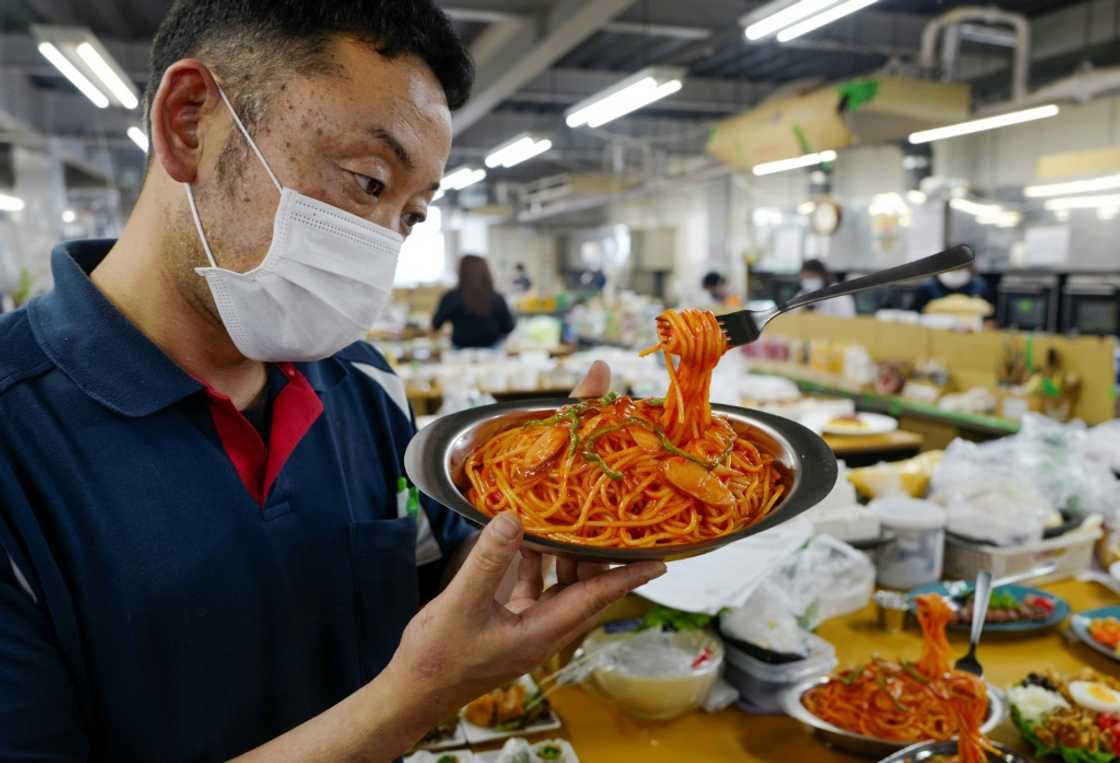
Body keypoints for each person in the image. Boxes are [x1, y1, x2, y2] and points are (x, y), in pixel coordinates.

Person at [0, 3, 665, 760]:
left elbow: (427, 578)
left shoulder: (365, 384)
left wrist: (534, 537)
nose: (380, 246)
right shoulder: (19, 444)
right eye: (368, 181)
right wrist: (415, 697)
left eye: (411, 215)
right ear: (190, 123)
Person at [432, 255, 515, 348]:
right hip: (491, 350)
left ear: (461, 271)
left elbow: (436, 324)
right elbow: (508, 327)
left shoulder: (451, 297)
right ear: (486, 272)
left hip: (459, 351)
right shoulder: (497, 297)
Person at [913, 265, 991, 313]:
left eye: (959, 268)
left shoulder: (979, 286)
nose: (955, 270)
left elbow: (991, 318)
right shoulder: (928, 287)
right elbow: (914, 314)